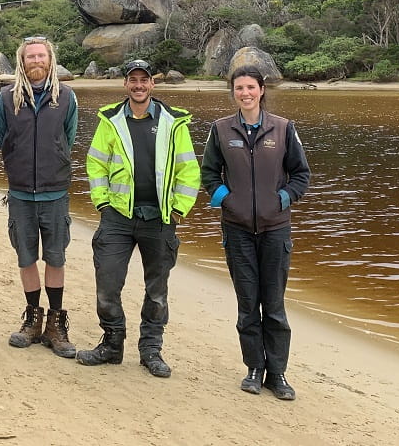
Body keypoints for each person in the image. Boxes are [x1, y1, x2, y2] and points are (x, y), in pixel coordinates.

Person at [76, 59, 200, 378]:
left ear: (152, 85)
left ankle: (151, 350)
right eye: (133, 80)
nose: (139, 85)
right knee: (107, 284)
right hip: (117, 217)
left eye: (144, 80)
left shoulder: (174, 122)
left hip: (159, 219)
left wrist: (178, 209)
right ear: (126, 84)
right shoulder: (111, 120)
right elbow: (96, 164)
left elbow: (188, 169)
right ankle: (112, 344)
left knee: (157, 291)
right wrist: (103, 202)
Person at [200, 66, 311, 401]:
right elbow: (208, 173)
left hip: (276, 229)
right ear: (233, 92)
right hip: (237, 231)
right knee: (248, 304)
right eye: (239, 88)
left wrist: (282, 199)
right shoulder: (220, 130)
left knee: (273, 305)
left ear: (262, 90)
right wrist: (225, 201)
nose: (245, 93)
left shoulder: (284, 128)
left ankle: (277, 374)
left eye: (250, 87)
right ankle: (253, 368)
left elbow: (300, 175)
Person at [0, 36, 79, 358]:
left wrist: (53, 160)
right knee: (26, 258)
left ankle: (56, 324)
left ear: (50, 59)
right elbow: (3, 139)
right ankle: (32, 319)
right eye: (30, 56)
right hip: (20, 194)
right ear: (22, 61)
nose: (36, 61)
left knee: (55, 258)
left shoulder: (67, 98)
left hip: (54, 192)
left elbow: (67, 140)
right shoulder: (6, 99)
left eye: (41, 56)